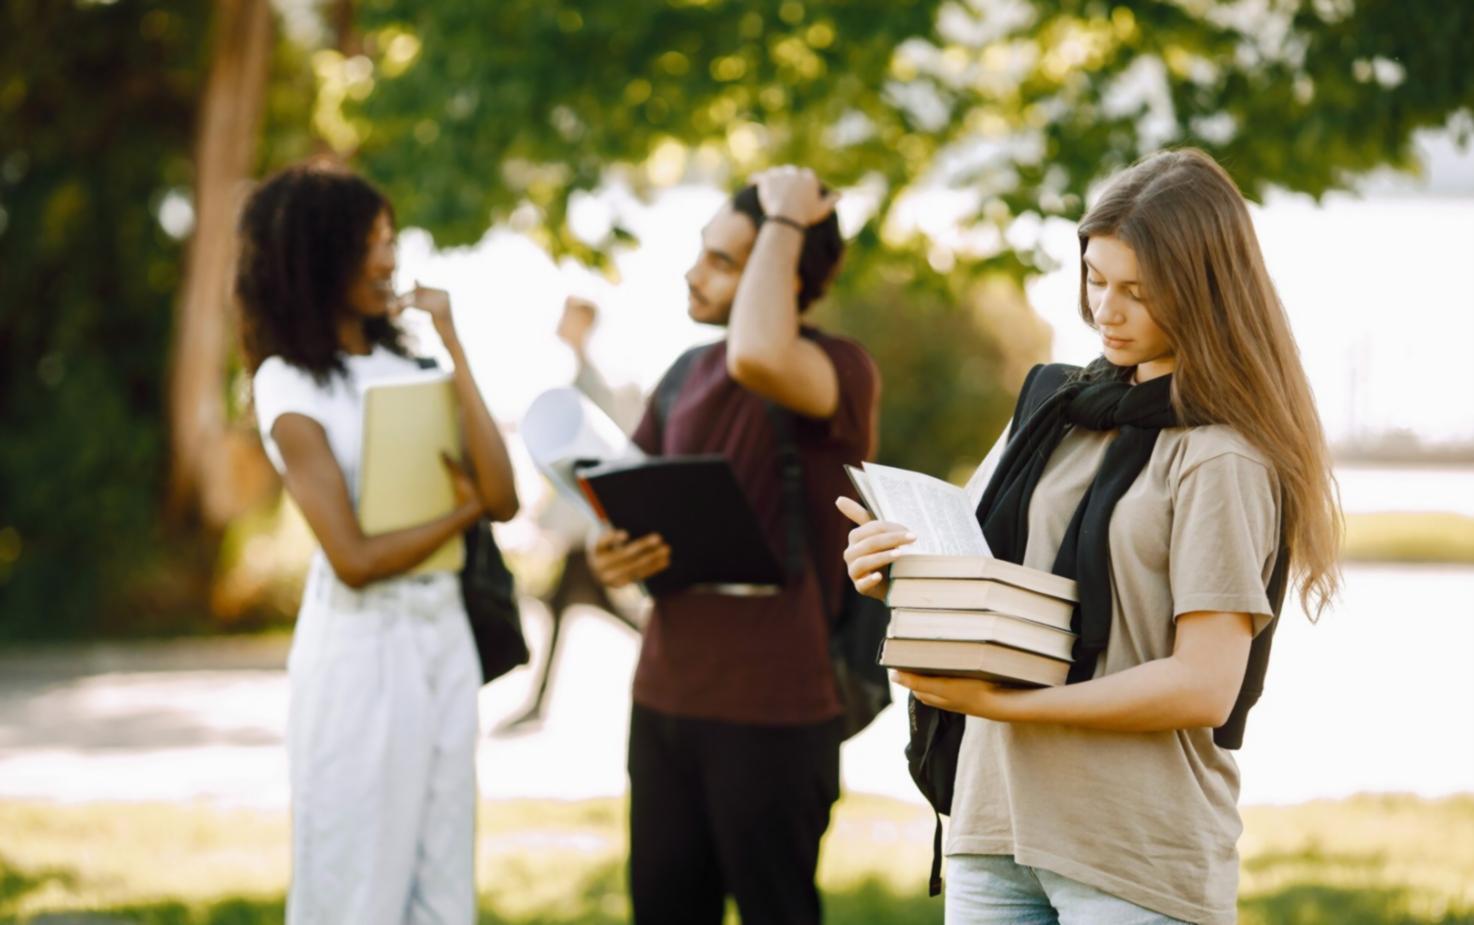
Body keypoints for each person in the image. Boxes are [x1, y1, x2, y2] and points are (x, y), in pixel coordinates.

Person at [840, 148, 1341, 925]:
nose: (1106, 309)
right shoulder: (1055, 410)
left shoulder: (1220, 453)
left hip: (1131, 850)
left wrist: (1008, 706)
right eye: (1096, 279)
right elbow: (974, 572)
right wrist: (887, 569)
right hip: (993, 824)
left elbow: (1205, 683)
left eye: (1137, 292)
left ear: (1204, 293)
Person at [588, 166, 880, 925]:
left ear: (783, 271)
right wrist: (606, 552)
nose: (693, 272)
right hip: (665, 698)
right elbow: (616, 498)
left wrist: (784, 214)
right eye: (702, 252)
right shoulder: (685, 374)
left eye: (723, 262)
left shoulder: (837, 370)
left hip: (777, 712)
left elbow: (758, 354)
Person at [237, 160, 519, 924]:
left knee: (443, 875)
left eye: (390, 237)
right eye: (369, 241)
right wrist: (459, 515)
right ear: (315, 254)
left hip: (443, 638)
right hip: (362, 649)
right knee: (356, 880)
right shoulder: (288, 385)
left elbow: (504, 495)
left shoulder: (410, 363)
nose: (388, 258)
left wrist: (453, 341)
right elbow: (354, 560)